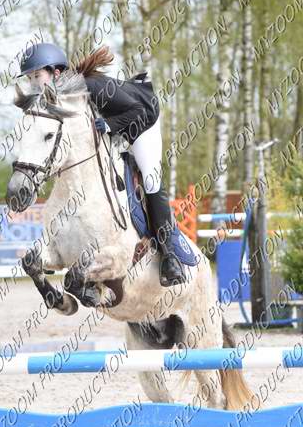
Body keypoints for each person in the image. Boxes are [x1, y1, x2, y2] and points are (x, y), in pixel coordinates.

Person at [17, 42, 186, 287]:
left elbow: (138, 110)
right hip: (114, 126)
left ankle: (169, 255)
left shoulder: (92, 86)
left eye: (36, 76)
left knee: (150, 179)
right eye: (30, 78)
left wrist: (110, 126)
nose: (33, 83)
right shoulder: (58, 98)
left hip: (143, 121)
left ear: (56, 73)